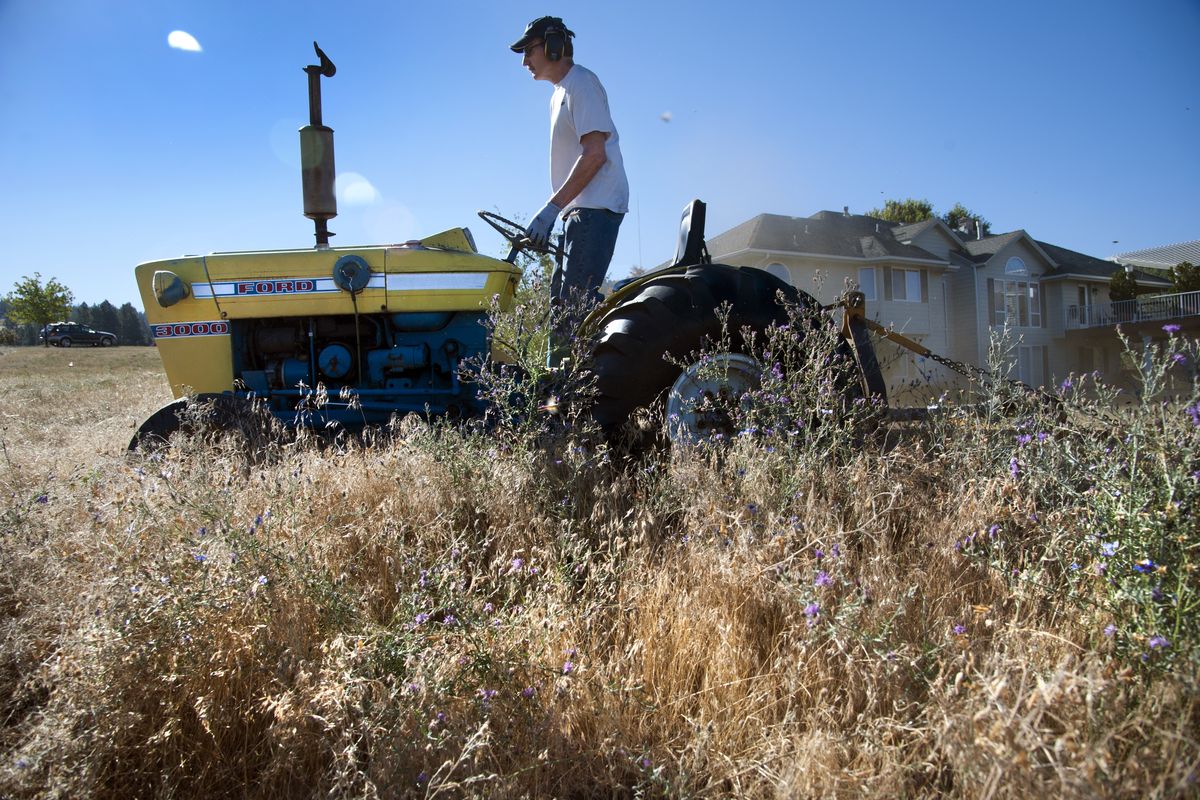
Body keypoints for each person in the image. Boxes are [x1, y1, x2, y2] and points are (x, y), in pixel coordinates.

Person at [510, 16, 629, 363]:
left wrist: (550, 209)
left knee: (574, 308)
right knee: (560, 304)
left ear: (553, 46)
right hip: (576, 211)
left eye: (528, 51)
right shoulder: (557, 95)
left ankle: (568, 400)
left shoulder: (583, 84)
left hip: (595, 207)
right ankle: (554, 392)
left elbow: (594, 155)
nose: (524, 61)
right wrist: (557, 212)